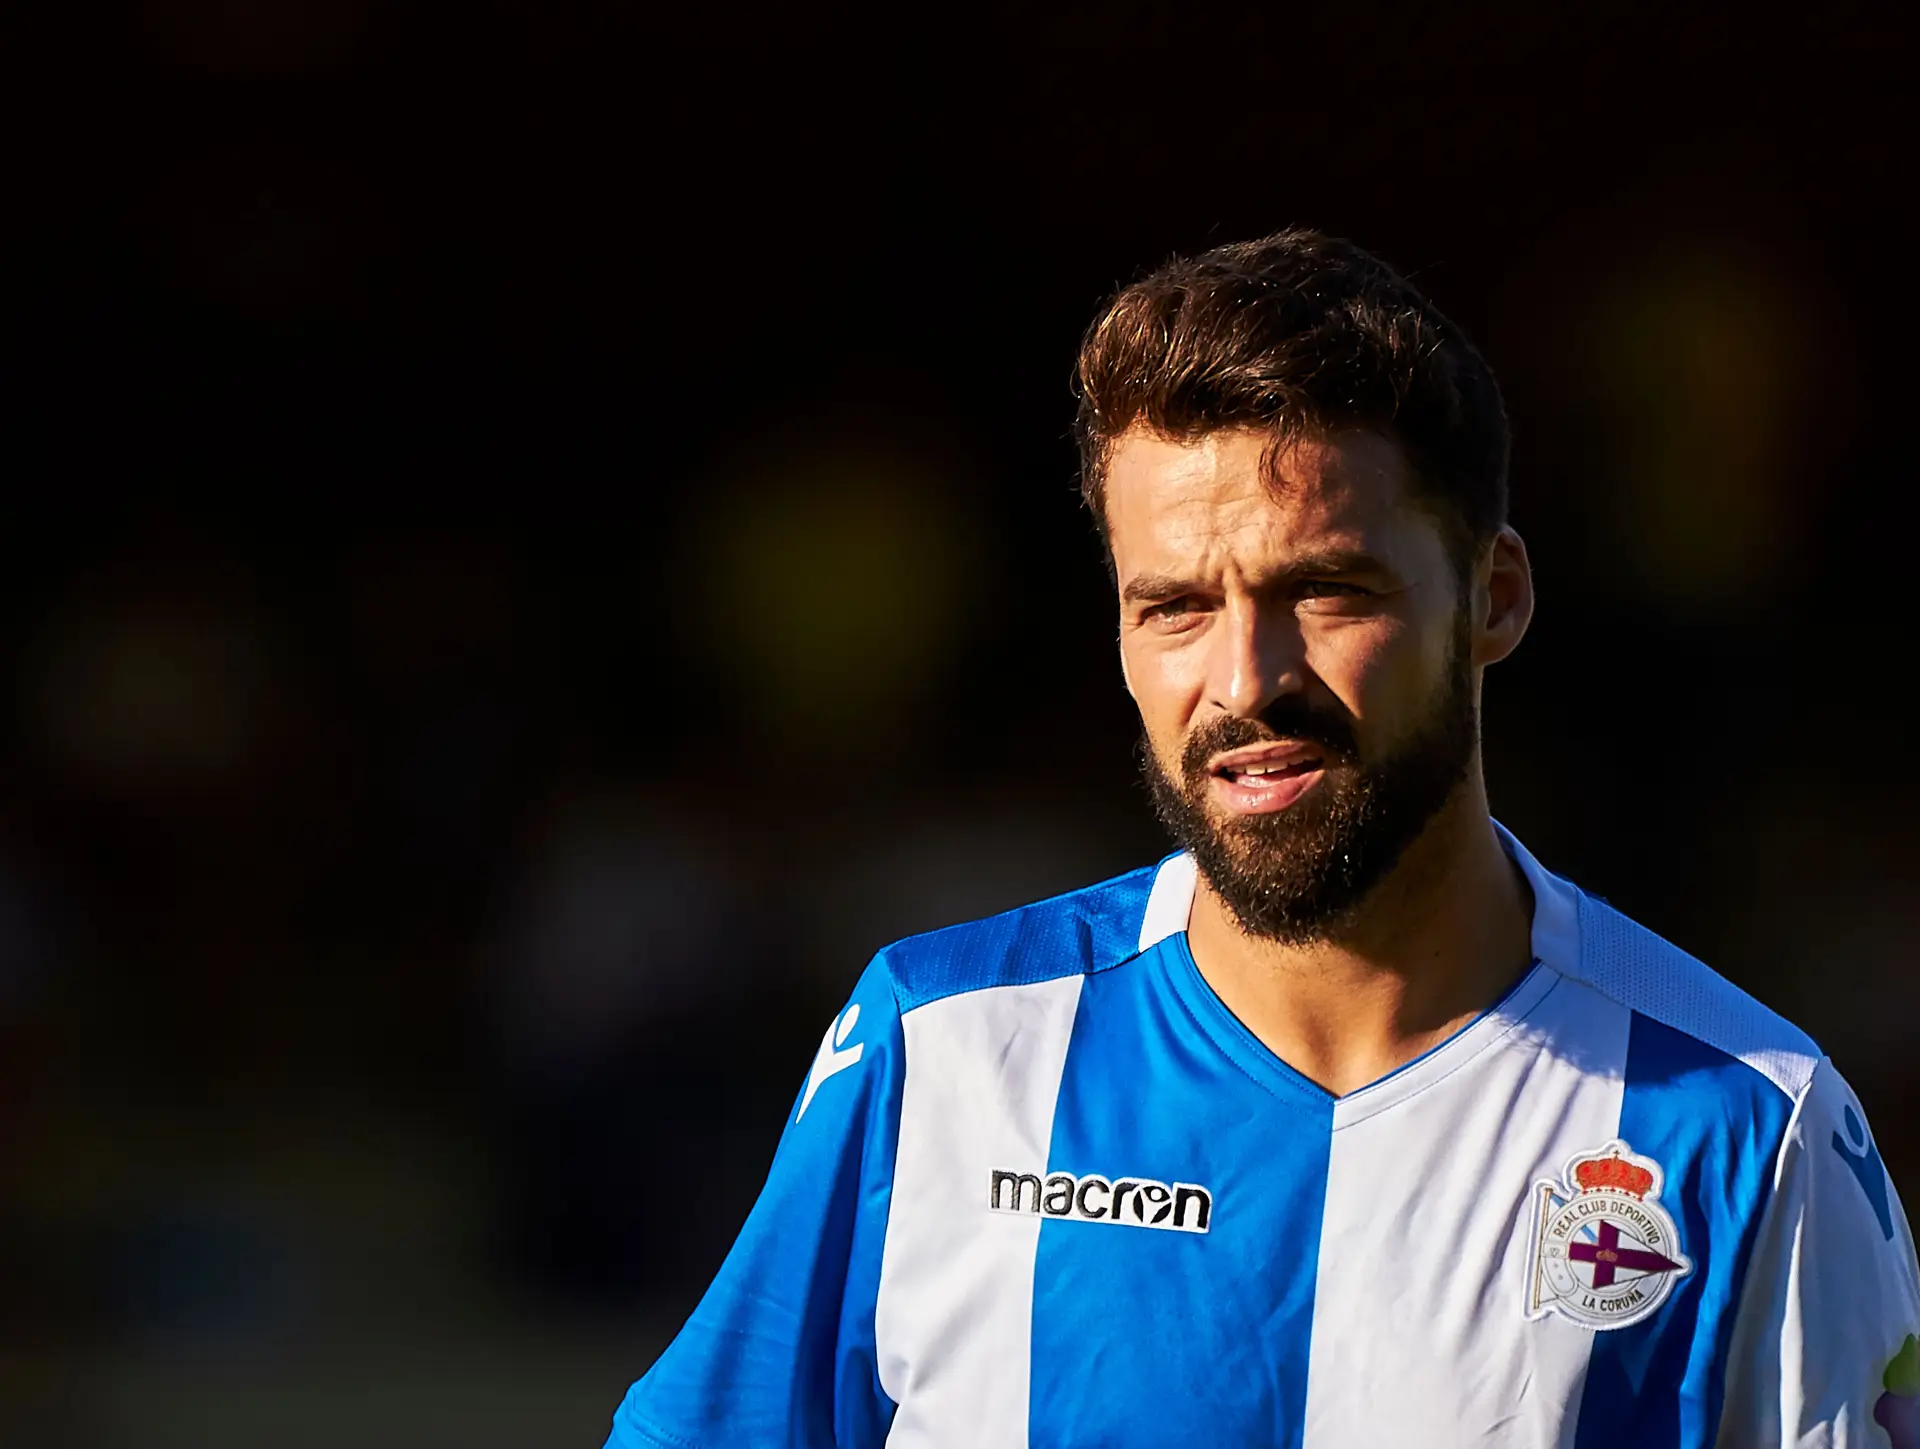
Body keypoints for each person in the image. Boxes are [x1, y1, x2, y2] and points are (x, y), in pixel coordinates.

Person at [602, 231, 1920, 1448]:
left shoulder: (1750, 1128)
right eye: (1174, 607)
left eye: (1325, 590)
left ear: (1494, 600)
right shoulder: (941, 1050)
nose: (1244, 678)